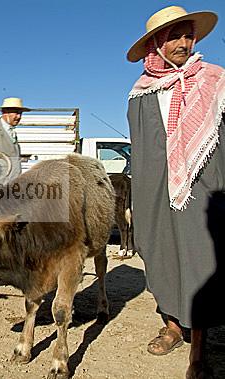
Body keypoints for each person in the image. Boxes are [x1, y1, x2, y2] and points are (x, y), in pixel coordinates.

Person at [127, 6, 225, 378]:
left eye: (188, 35)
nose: (183, 43)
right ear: (156, 44)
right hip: (155, 191)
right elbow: (143, 148)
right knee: (158, 253)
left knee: (198, 260)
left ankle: (198, 348)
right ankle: (171, 324)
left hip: (203, 188)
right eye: (174, 37)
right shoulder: (140, 94)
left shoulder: (215, 81)